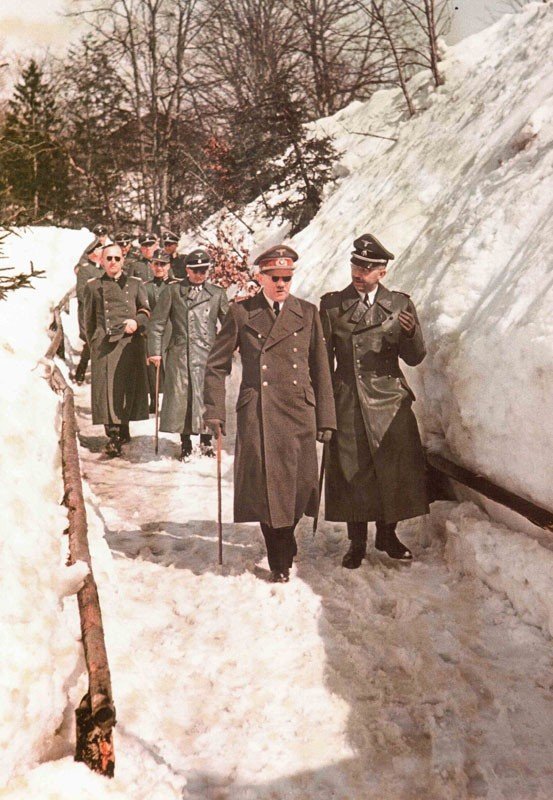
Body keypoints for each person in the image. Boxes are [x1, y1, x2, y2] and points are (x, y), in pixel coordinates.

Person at [203, 245, 336, 583]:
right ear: (260, 278)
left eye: (286, 278)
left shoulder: (307, 313)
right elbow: (216, 366)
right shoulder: (242, 313)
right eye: (274, 278)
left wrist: (327, 419)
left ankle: (286, 535)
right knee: (264, 485)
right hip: (258, 410)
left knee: (298, 484)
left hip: (298, 409)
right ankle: (278, 556)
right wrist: (214, 410)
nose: (281, 284)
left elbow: (321, 368)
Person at [320, 233, 429, 567]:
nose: (360, 271)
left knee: (393, 468)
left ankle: (388, 534)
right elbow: (323, 363)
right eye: (356, 264)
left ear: (382, 272)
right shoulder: (332, 306)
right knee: (354, 471)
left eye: (368, 267)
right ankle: (357, 542)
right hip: (349, 399)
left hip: (389, 399)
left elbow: (415, 357)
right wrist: (324, 411)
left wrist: (410, 335)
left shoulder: (399, 304)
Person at [147, 248, 229, 460]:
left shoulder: (217, 294)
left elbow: (229, 326)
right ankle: (185, 443)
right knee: (183, 397)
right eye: (195, 270)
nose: (200, 274)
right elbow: (157, 324)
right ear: (187, 270)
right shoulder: (173, 292)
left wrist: (226, 351)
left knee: (205, 397)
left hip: (207, 355)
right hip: (180, 354)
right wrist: (155, 352)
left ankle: (206, 441)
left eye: (203, 270)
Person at [83, 243, 151, 457]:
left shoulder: (135, 283)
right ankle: (113, 434)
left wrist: (137, 322)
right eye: (109, 258)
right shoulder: (93, 286)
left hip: (130, 343)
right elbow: (88, 319)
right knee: (107, 390)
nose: (113, 262)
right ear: (102, 261)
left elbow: (146, 310)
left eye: (117, 258)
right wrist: (94, 341)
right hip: (105, 343)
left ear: (123, 260)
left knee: (127, 387)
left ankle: (123, 427)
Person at [144, 248, 172, 412]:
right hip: (152, 330)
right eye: (156, 264)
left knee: (171, 367)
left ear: (168, 266)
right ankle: (154, 399)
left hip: (172, 330)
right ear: (151, 265)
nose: (159, 267)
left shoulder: (176, 285)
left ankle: (170, 401)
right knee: (152, 368)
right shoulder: (146, 287)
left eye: (163, 264)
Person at [73, 241, 104, 384]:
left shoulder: (102, 269)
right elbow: (81, 293)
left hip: (101, 314)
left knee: (95, 342)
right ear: (93, 253)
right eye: (99, 250)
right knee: (90, 341)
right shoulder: (85, 270)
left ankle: (84, 371)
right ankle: (81, 371)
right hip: (87, 313)